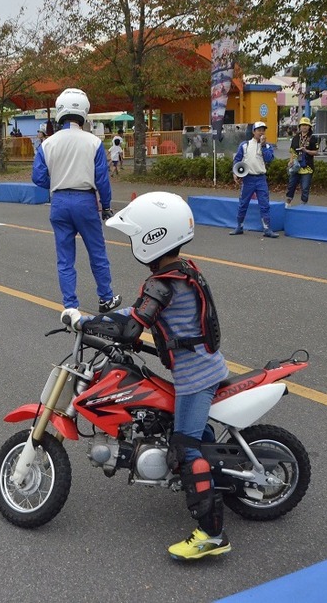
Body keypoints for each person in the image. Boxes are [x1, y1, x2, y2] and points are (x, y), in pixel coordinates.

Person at [61, 192, 230, 561]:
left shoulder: (162, 284)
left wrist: (87, 323)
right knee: (189, 437)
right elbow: (138, 312)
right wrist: (98, 320)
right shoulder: (180, 270)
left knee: (186, 448)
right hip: (203, 367)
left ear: (154, 237)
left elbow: (130, 327)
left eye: (136, 235)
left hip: (196, 378)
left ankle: (212, 534)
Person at [32, 87, 121, 313]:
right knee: (97, 252)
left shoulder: (47, 144)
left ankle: (70, 305)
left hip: (59, 202)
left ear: (60, 110)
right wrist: (107, 205)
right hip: (85, 201)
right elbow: (102, 179)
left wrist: (57, 181)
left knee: (65, 258)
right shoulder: (93, 142)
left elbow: (38, 177)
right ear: (84, 111)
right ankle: (105, 298)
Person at [231, 122, 277, 238]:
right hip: (248, 178)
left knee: (264, 204)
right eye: (259, 130)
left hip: (261, 178)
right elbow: (237, 159)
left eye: (263, 130)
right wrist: (235, 172)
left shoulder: (267, 146)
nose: (261, 132)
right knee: (243, 203)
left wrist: (263, 145)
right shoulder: (244, 145)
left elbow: (269, 159)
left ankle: (267, 229)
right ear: (253, 131)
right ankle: (239, 226)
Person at [285, 117, 320, 208]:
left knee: (305, 187)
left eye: (306, 125)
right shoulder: (296, 137)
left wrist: (306, 151)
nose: (304, 127)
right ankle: (288, 202)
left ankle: (303, 205)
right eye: (303, 125)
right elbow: (292, 151)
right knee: (291, 184)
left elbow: (316, 152)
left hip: (307, 166)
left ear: (309, 127)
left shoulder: (313, 138)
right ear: (300, 126)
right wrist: (291, 161)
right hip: (296, 166)